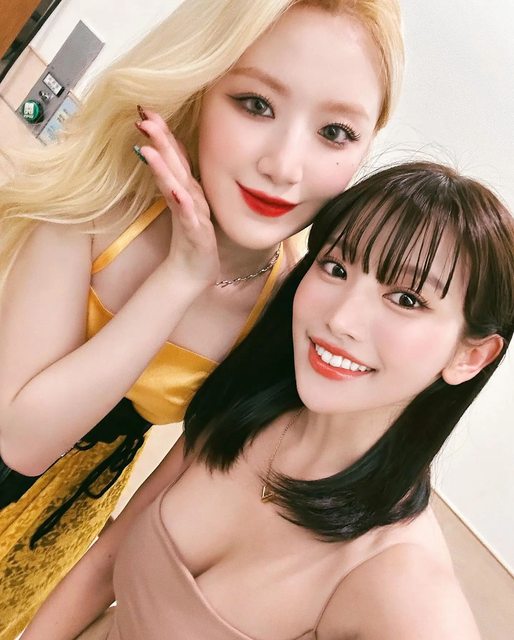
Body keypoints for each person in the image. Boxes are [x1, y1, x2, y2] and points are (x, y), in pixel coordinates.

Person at [0, 0, 403, 637]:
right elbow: (21, 440)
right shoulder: (102, 202)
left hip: (54, 532)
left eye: (335, 132)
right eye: (256, 104)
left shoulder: (289, 312)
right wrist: (181, 276)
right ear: (201, 87)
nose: (284, 166)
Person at [20, 161, 514, 639]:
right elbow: (102, 567)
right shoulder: (248, 407)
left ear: (471, 356)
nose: (340, 319)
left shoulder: (400, 575)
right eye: (336, 267)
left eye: (406, 299)